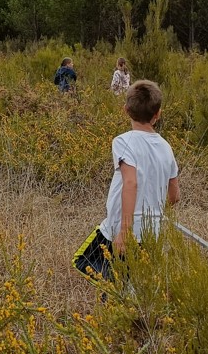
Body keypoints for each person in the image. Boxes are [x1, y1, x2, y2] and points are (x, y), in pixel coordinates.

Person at [73, 79, 181, 283]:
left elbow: (130, 182)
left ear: (126, 110)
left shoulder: (123, 141)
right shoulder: (167, 148)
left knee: (85, 263)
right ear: (158, 114)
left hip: (122, 228)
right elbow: (174, 197)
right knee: (134, 285)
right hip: (152, 233)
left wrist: (124, 230)